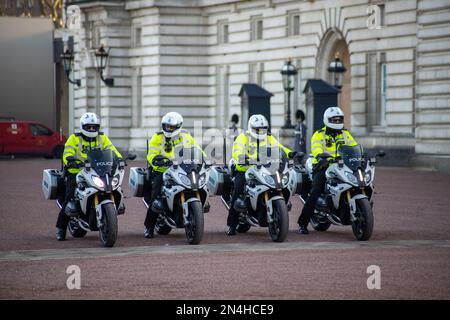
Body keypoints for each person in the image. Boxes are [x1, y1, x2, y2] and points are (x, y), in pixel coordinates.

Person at [226, 114, 296, 236]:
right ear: (251, 128)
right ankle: (232, 225)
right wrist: (243, 158)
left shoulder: (269, 138)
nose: (261, 131)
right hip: (245, 168)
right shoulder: (243, 137)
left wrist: (290, 154)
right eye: (258, 129)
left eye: (263, 128)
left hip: (264, 168)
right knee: (237, 191)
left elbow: (279, 148)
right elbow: (237, 151)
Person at [56, 112, 122, 241]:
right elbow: (67, 152)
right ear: (83, 126)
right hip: (77, 171)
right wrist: (70, 159)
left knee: (112, 186)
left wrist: (119, 159)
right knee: (69, 197)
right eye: (88, 127)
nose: (91, 129)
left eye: (94, 127)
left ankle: (110, 213)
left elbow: (112, 150)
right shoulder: (74, 138)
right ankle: (61, 228)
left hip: (96, 170)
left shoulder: (102, 138)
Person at [297, 106, 357, 235]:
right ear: (327, 120)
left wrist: (360, 156)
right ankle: (303, 223)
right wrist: (321, 156)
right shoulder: (319, 134)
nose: (337, 122)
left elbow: (354, 146)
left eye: (339, 120)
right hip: (323, 166)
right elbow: (316, 148)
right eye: (334, 120)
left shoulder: (345, 134)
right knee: (315, 191)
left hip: (342, 166)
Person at [144, 112, 203, 238]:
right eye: (166, 126)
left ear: (178, 126)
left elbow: (196, 149)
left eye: (171, 127)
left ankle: (193, 210)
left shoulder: (186, 136)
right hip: (162, 170)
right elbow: (151, 154)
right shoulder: (157, 137)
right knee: (156, 197)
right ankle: (149, 226)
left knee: (198, 184)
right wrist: (156, 160)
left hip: (182, 168)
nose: (168, 129)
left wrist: (204, 158)